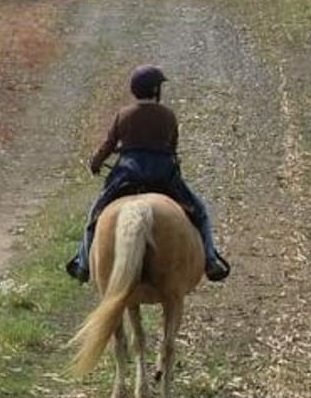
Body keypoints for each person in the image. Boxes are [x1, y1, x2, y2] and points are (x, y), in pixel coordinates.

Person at [65, 64, 230, 284]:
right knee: (201, 211)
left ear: (135, 90)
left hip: (128, 174)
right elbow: (172, 149)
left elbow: (108, 145)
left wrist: (95, 163)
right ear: (156, 90)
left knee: (94, 215)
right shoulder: (168, 116)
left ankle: (83, 263)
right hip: (163, 175)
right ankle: (210, 259)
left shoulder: (123, 114)